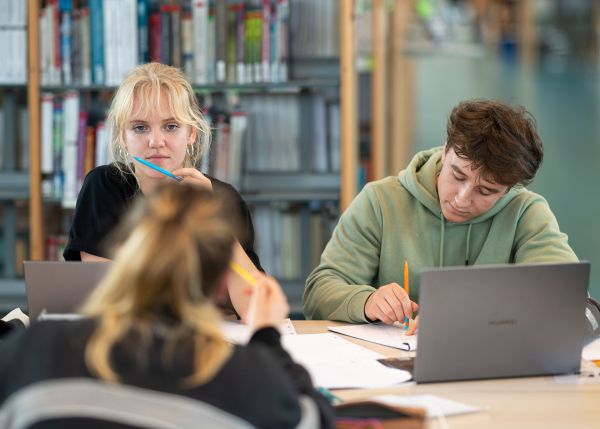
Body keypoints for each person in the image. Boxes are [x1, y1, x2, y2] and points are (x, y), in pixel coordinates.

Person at [0, 184, 335, 429]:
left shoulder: (33, 349)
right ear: (221, 285)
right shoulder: (249, 380)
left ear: (125, 255)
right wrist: (267, 338)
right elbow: (315, 419)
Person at [303, 99, 578, 333]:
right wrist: (366, 301)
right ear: (446, 149)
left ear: (509, 190)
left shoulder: (526, 213)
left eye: (486, 191)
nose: (462, 198)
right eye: (457, 175)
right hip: (391, 368)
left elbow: (570, 302)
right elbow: (318, 293)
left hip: (492, 372)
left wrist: (482, 316)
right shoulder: (380, 201)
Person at [63, 62, 261, 319]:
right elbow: (109, 301)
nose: (156, 142)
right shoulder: (104, 186)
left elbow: (255, 311)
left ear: (191, 133)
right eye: (140, 127)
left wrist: (218, 222)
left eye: (171, 126)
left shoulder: (224, 199)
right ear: (122, 136)